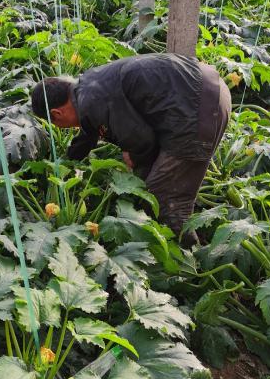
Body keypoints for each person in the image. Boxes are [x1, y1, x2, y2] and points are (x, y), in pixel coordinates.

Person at [30, 53, 231, 247]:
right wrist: (65, 163)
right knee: (155, 185)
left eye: (56, 124)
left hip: (197, 109)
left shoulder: (91, 103)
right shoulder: (88, 88)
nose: (62, 128)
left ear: (57, 113)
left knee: (159, 198)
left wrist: (132, 156)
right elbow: (88, 132)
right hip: (205, 88)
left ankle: (188, 259)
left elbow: (142, 141)